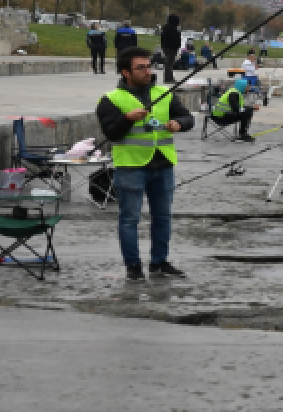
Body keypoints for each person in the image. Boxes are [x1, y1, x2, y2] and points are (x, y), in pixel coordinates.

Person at [96, 47, 195, 280]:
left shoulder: (165, 93)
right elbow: (112, 133)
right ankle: (133, 267)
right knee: (129, 219)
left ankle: (159, 263)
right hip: (131, 167)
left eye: (149, 66)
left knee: (163, 217)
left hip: (163, 165)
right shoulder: (110, 100)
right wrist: (127, 119)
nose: (147, 71)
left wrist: (179, 124)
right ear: (125, 72)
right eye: (140, 68)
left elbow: (188, 118)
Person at [212, 77, 258, 142]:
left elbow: (238, 107)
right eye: (247, 87)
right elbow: (237, 109)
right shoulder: (233, 94)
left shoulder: (235, 92)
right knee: (247, 112)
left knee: (247, 110)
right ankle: (242, 135)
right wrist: (251, 108)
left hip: (223, 113)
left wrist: (249, 108)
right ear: (242, 86)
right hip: (220, 116)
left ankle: (242, 134)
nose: (248, 89)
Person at [160, 14, 182, 82]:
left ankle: (169, 77)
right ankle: (168, 78)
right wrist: (178, 34)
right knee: (169, 63)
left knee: (169, 63)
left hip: (165, 46)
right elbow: (174, 39)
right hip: (171, 47)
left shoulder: (165, 27)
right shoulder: (173, 28)